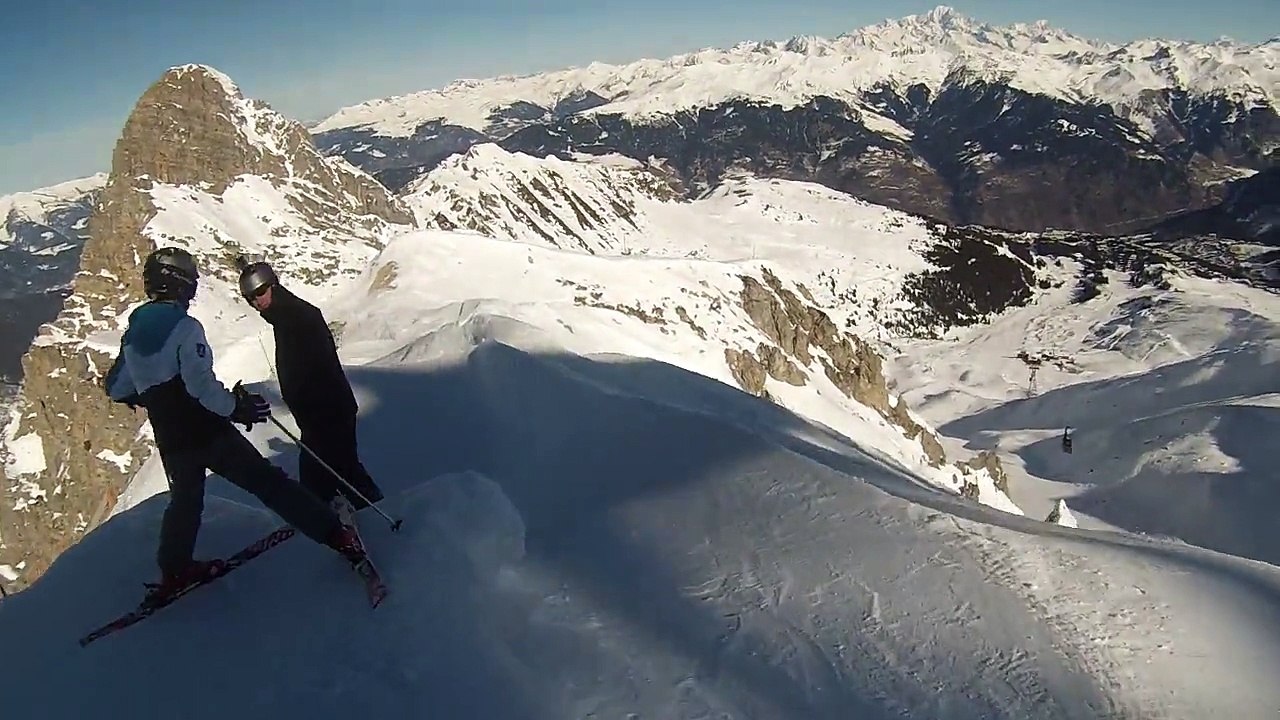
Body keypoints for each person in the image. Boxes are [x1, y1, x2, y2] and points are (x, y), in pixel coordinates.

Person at [104, 247, 364, 601]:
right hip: (208, 432)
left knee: (185, 502)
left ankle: (175, 569)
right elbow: (201, 387)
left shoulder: (134, 331)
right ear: (180, 282)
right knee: (269, 484)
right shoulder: (185, 327)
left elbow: (117, 386)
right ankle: (336, 535)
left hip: (172, 439)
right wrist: (236, 408)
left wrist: (150, 392)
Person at [235, 256, 385, 511]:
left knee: (337, 472)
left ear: (273, 284)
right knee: (335, 472)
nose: (257, 301)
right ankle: (344, 516)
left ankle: (377, 516)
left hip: (327, 412)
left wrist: (317, 411)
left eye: (260, 292)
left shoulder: (298, 317)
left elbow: (319, 368)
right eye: (250, 298)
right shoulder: (285, 317)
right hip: (320, 415)